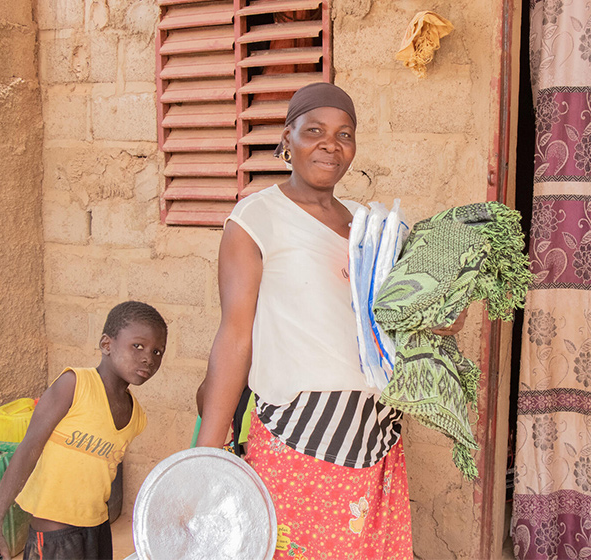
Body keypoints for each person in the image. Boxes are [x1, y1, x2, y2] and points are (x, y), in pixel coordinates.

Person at [196, 82, 466, 559]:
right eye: (314, 130)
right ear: (287, 139)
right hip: (300, 434)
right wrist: (206, 456)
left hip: (376, 431)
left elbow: (408, 320)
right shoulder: (257, 219)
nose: (330, 144)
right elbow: (235, 338)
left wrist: (442, 309)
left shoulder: (373, 228)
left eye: (344, 134)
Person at [0, 301, 168, 560]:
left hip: (97, 528)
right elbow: (28, 449)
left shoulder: (137, 417)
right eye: (138, 346)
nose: (148, 357)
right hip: (54, 534)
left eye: (158, 352)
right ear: (106, 345)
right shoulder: (74, 385)